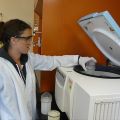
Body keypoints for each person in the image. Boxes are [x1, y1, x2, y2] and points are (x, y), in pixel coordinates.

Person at [0, 19, 96, 120]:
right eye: (27, 38)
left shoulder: (28, 59)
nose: (30, 42)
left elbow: (52, 61)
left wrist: (78, 59)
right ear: (13, 40)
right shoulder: (2, 67)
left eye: (30, 38)